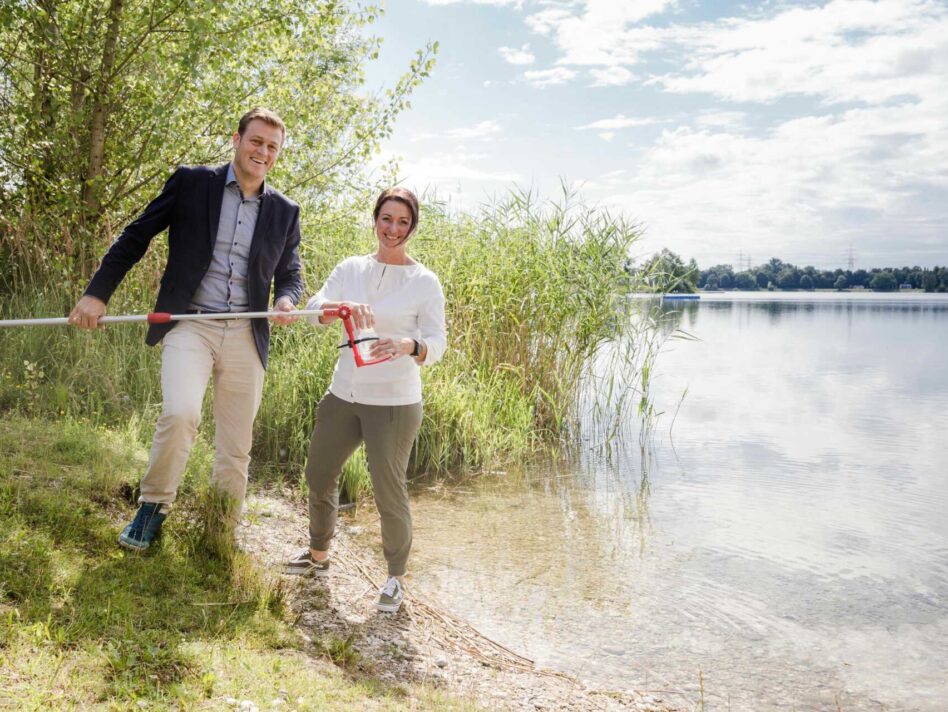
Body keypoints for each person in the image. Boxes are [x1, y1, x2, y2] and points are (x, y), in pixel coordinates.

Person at [69, 107, 304, 551]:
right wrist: (97, 294)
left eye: (272, 147)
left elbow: (290, 272)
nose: (263, 152)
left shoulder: (285, 212)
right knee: (180, 413)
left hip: (246, 333)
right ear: (237, 140)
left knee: (237, 442)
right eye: (256, 141)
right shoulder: (192, 182)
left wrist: (286, 299)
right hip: (190, 323)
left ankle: (220, 527)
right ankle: (152, 507)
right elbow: (135, 237)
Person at [284, 187, 446, 614]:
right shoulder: (351, 269)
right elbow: (315, 306)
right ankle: (319, 556)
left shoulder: (424, 281)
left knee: (388, 490)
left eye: (403, 222)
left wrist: (409, 344)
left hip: (394, 402)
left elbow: (438, 342)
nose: (393, 229)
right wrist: (340, 306)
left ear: (413, 227)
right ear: (375, 219)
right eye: (386, 219)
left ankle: (395, 580)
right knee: (318, 474)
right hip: (344, 394)